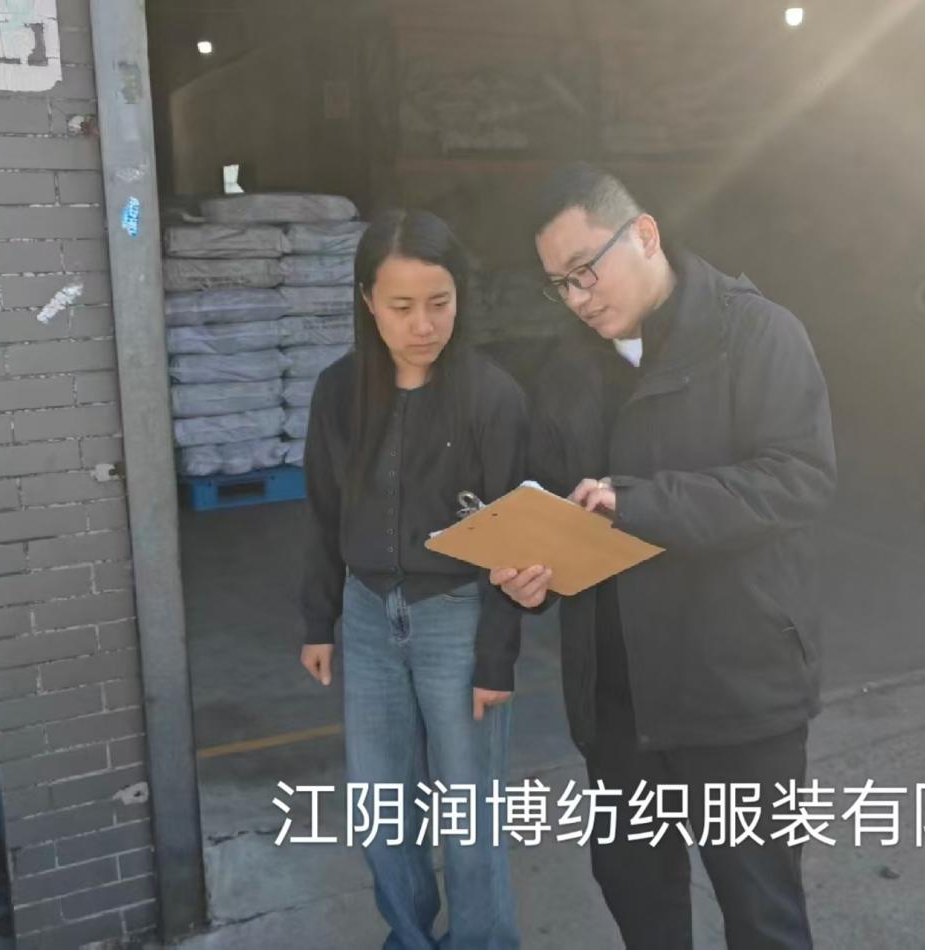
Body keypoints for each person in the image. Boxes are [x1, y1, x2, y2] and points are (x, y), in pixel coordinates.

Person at [492, 164, 837, 949]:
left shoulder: (755, 334)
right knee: (636, 894)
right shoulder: (568, 368)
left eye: (585, 270)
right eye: (559, 285)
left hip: (732, 689)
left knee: (761, 911)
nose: (577, 299)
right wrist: (533, 573)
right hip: (617, 696)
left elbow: (797, 479)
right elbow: (557, 500)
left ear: (643, 234)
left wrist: (639, 503)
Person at [299, 209, 526, 950]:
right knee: (381, 807)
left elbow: (516, 538)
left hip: (455, 614)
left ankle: (482, 942)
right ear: (368, 300)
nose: (423, 325)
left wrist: (495, 658)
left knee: (468, 811)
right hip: (367, 615)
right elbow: (323, 510)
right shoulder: (338, 392)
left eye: (439, 302)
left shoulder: (492, 397)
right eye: (401, 306)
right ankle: (409, 936)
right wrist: (319, 621)